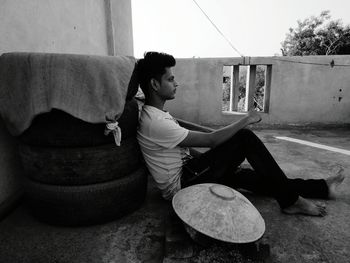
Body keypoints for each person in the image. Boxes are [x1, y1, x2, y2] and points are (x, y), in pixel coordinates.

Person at [136, 51, 345, 216]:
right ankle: (292, 202)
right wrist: (246, 119)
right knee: (244, 138)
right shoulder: (156, 123)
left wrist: (217, 161)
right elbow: (211, 140)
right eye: (171, 79)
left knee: (251, 177)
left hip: (190, 172)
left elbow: (185, 146)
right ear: (155, 84)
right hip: (182, 186)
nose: (176, 83)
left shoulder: (156, 116)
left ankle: (322, 188)